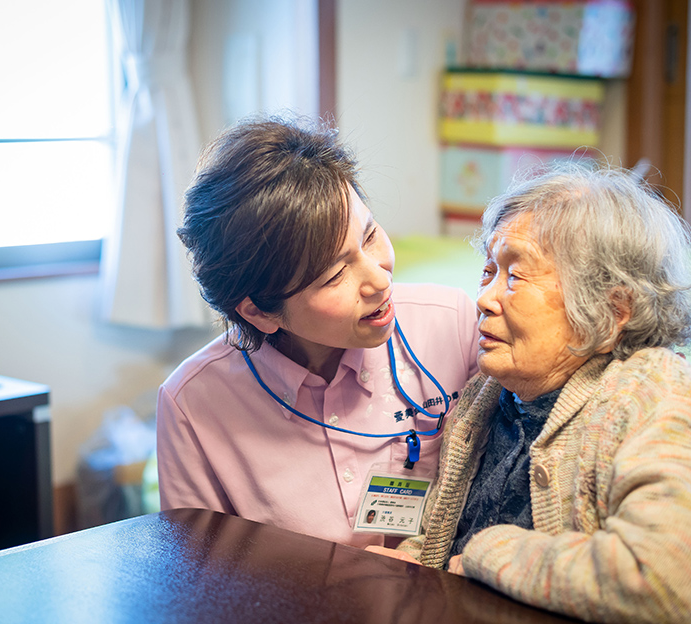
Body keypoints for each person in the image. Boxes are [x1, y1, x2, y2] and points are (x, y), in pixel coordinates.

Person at [369, 163, 691, 623]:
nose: (484, 299)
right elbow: (442, 540)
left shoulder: (654, 393)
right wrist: (411, 566)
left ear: (611, 308)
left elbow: (671, 584)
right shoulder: (486, 395)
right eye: (488, 271)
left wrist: (488, 554)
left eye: (515, 277)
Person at [157, 114, 479, 548]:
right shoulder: (192, 407)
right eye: (334, 276)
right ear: (259, 312)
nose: (379, 280)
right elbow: (202, 583)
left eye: (368, 237)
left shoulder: (453, 325)